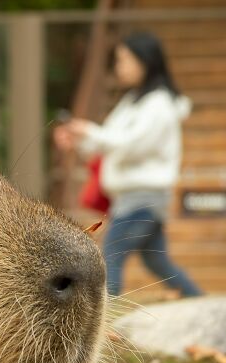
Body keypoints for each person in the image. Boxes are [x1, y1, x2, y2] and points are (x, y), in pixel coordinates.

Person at [54, 32, 202, 298]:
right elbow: (110, 143)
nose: (119, 66)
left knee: (111, 256)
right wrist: (79, 138)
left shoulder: (160, 104)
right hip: (132, 197)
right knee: (157, 262)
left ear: (144, 61)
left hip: (143, 198)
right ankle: (201, 303)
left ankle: (104, 321)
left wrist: (88, 132)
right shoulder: (133, 100)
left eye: (124, 59)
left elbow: (131, 144)